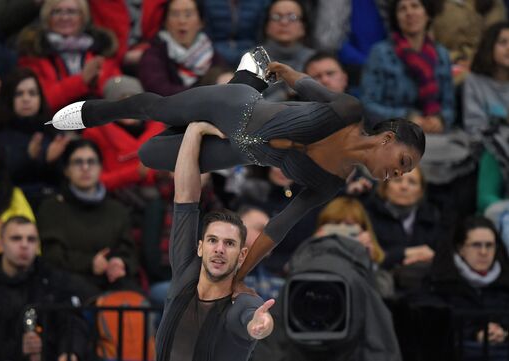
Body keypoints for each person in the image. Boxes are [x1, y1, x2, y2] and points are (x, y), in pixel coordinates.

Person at [49, 55, 425, 286]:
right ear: (388, 139)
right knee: (157, 109)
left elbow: (279, 227)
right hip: (233, 108)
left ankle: (247, 77)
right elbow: (311, 87)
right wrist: (282, 69)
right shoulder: (349, 111)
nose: (399, 174)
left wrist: (237, 276)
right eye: (403, 163)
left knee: (150, 153)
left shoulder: (331, 182)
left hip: (237, 150)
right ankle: (92, 112)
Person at [154, 121, 274, 360]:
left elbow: (254, 317)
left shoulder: (241, 302)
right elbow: (185, 195)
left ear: (242, 255)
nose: (219, 249)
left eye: (229, 243)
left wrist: (262, 324)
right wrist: (194, 131)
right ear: (200, 247)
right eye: (212, 240)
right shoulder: (185, 272)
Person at [0, 216, 87, 361]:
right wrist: (18, 348)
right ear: (0, 243)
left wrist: (69, 353)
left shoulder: (55, 281)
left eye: (31, 239)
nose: (24, 245)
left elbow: (72, 324)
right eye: (16, 238)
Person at [37, 139, 139, 299]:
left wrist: (119, 263)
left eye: (91, 162)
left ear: (100, 167)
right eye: (78, 162)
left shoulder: (117, 210)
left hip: (111, 281)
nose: (85, 168)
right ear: (66, 170)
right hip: (67, 285)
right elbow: (51, 256)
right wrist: (89, 263)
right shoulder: (52, 208)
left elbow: (130, 253)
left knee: (136, 300)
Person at [360, 0, 454, 131]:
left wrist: (440, 120)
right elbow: (368, 105)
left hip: (434, 136)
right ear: (396, 17)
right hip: (392, 134)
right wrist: (407, 118)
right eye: (402, 9)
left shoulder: (442, 55)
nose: (409, 13)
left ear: (427, 13)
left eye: (415, 6)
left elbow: (449, 106)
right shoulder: (380, 53)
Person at [0, 67, 70, 208]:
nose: (26, 99)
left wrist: (52, 162)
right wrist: (29, 158)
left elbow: (65, 180)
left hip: (51, 204)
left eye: (32, 93)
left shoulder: (52, 132)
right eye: (19, 94)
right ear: (9, 98)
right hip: (10, 204)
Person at [17, 0, 121, 112]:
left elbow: (116, 96)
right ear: (47, 17)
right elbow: (41, 102)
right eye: (57, 12)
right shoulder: (33, 54)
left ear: (83, 17)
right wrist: (82, 81)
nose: (64, 17)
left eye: (71, 12)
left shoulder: (101, 51)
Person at [428, 216, 509, 360]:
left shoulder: (505, 283)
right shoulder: (437, 284)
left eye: (489, 245)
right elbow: (435, 329)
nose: (484, 252)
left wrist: (502, 331)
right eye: (476, 245)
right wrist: (475, 333)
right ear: (460, 249)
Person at [138, 0, 225, 96]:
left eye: (188, 15)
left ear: (201, 22)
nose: (182, 21)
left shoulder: (210, 52)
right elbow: (158, 89)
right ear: (165, 22)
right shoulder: (153, 54)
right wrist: (204, 93)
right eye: (175, 14)